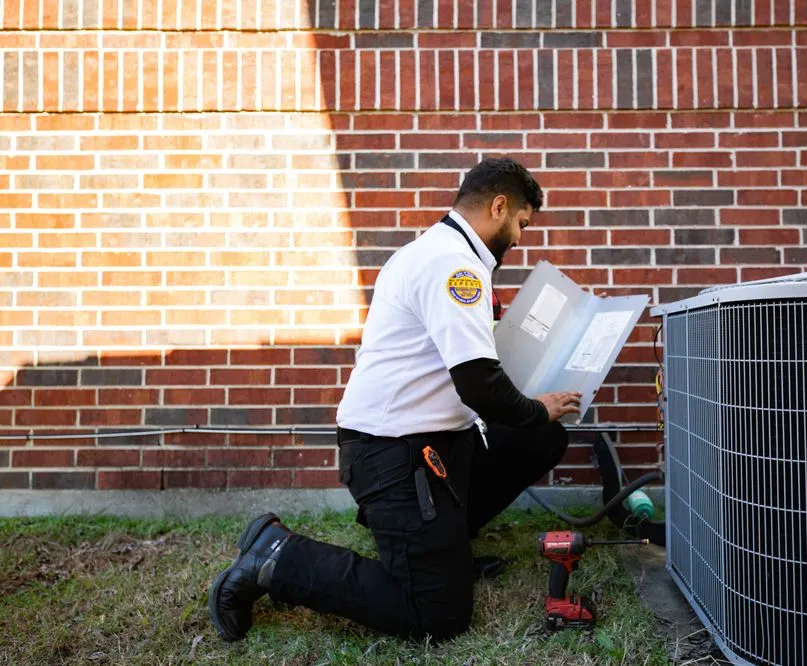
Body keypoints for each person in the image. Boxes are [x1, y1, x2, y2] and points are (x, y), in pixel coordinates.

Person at [208, 157, 582, 642]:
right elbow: (479, 386)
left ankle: (443, 546)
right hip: (392, 455)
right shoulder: (455, 266)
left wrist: (535, 416)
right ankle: (275, 556)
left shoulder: (441, 252)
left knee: (540, 439)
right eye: (521, 224)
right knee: (437, 616)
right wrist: (537, 407)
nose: (520, 237)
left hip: (439, 441)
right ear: (498, 205)